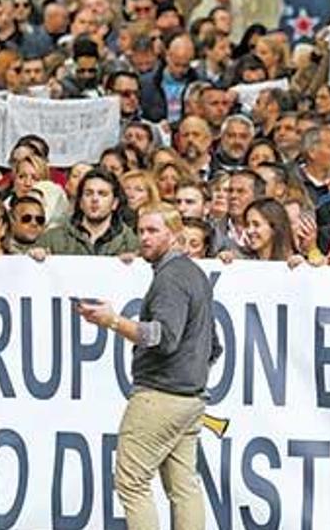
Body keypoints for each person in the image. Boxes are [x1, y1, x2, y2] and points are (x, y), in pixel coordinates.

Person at [73, 203, 221, 530]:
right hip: (190, 397)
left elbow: (162, 337)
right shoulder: (194, 275)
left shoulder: (171, 278)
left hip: (160, 395)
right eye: (141, 230)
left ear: (175, 235)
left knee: (132, 483)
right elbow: (214, 345)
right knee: (184, 487)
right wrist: (191, 371)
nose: (144, 238)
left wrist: (113, 321)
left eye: (153, 231)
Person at [32, 168, 140, 257]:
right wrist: (35, 258)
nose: (94, 199)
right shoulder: (52, 239)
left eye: (102, 194)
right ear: (80, 202)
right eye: (88, 193)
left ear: (115, 203)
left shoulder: (131, 243)